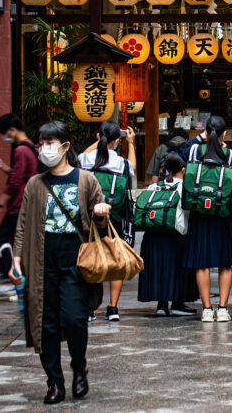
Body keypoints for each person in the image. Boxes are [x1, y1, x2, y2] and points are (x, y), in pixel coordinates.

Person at [11, 121, 111, 404]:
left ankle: (79, 368)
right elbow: (22, 225)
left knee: (75, 319)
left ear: (65, 147)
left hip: (76, 260)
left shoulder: (86, 179)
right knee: (47, 324)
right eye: (41, 144)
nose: (44, 149)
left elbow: (101, 226)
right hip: (41, 261)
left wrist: (101, 213)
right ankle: (54, 382)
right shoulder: (35, 183)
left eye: (49, 143)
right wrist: (16, 258)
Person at [179, 115, 232, 322]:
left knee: (202, 262)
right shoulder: (231, 155)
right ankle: (223, 308)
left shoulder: (193, 151)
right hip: (222, 211)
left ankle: (207, 309)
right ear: (224, 134)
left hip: (199, 211)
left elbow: (181, 155)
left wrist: (201, 138)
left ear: (207, 132)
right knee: (225, 263)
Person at [77, 121, 136, 322]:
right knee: (115, 259)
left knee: (91, 259)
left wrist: (99, 141)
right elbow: (133, 169)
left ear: (97, 137)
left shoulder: (84, 159)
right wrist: (132, 144)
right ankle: (113, 308)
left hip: (88, 217)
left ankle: (89, 309)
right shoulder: (121, 162)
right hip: (114, 216)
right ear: (117, 141)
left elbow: (79, 158)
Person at [137, 152, 199, 316]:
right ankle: (178, 303)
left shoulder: (153, 187)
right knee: (177, 268)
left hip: (152, 235)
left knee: (159, 268)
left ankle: (161, 305)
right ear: (183, 170)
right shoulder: (184, 187)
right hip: (176, 234)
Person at [0, 113, 37, 298]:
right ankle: (15, 280)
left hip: (18, 206)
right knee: (14, 244)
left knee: (0, 241)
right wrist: (2, 166)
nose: (5, 138)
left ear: (12, 130)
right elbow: (19, 174)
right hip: (23, 205)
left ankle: (11, 280)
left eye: (5, 133)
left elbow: (15, 182)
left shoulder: (21, 150)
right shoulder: (29, 147)